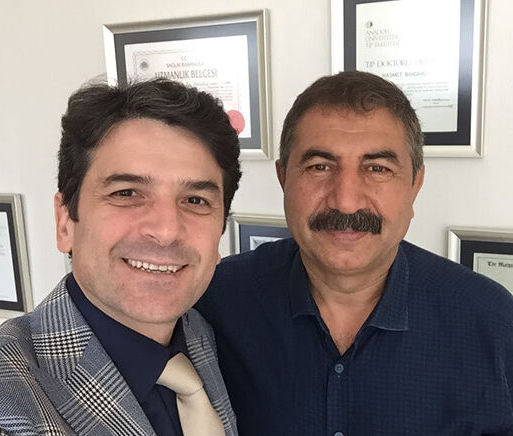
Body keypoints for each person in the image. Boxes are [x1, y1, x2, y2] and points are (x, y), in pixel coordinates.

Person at [196, 71, 513, 435]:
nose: (346, 201)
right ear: (284, 179)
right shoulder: (212, 300)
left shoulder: (492, 322)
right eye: (319, 167)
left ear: (415, 184)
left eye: (377, 168)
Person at [0, 79, 241, 436]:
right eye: (126, 193)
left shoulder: (201, 331)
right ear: (65, 223)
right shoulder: (6, 406)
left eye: (195, 200)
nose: (166, 230)